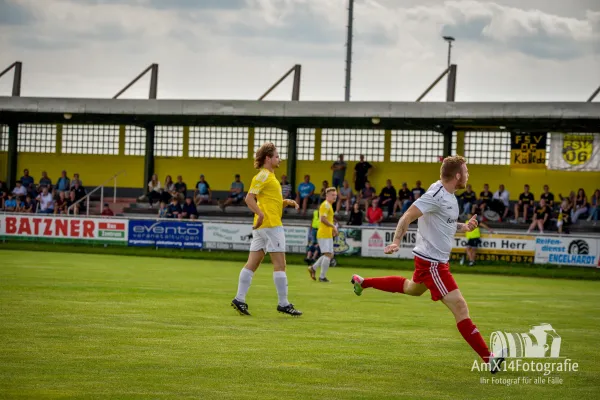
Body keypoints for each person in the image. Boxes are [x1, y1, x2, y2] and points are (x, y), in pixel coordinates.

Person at [350, 156, 506, 374]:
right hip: (433, 263)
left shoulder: (446, 193)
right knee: (460, 307)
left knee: (410, 288)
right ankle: (489, 359)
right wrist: (396, 241)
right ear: (458, 175)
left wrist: (465, 226)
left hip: (431, 261)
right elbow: (408, 216)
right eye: (466, 171)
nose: (468, 174)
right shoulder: (436, 194)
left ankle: (363, 282)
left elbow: (446, 224)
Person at [231, 142, 302, 317]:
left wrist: (286, 202)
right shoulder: (263, 176)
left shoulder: (269, 177)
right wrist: (261, 215)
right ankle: (283, 303)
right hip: (271, 225)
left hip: (263, 227)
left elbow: (267, 200)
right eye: (277, 156)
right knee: (280, 265)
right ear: (268, 158)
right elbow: (249, 199)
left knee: (253, 263)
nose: (280, 159)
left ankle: (239, 299)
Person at [308, 187, 338, 282]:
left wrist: (332, 229)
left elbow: (327, 219)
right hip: (323, 233)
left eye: (335, 195)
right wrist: (333, 226)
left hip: (327, 233)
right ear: (327, 196)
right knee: (328, 254)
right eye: (332, 195)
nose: (334, 197)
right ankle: (322, 277)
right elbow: (323, 219)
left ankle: (313, 268)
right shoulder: (325, 205)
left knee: (330, 254)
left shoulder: (329, 205)